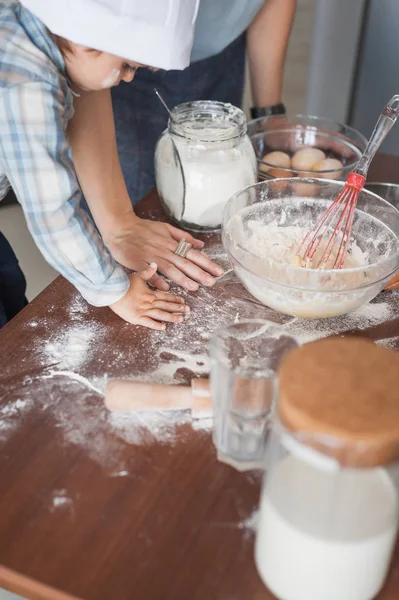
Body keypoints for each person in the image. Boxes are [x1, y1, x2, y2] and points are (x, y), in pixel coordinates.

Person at [0, 0, 223, 330]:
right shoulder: (26, 90)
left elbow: (87, 84)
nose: (129, 78)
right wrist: (113, 290)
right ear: (86, 43)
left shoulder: (31, 23)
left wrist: (120, 224)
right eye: (127, 65)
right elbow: (52, 211)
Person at [112, 0, 297, 204]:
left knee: (221, 172)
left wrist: (269, 116)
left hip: (222, 48)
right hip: (129, 54)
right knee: (131, 200)